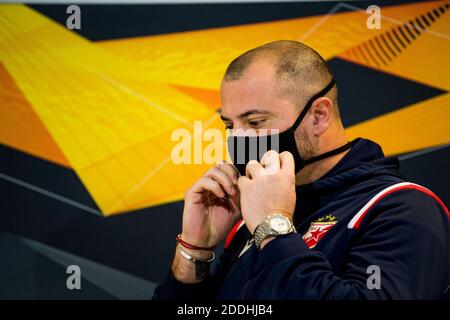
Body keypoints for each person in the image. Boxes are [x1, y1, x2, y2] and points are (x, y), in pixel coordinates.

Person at [154, 40, 449, 299]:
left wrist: (273, 230)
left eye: (255, 122)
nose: (240, 140)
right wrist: (195, 248)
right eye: (231, 126)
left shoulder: (403, 209)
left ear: (318, 116)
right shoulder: (250, 216)